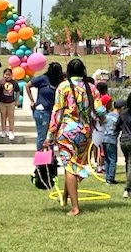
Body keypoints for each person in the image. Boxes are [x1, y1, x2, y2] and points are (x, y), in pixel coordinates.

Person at [44, 58, 106, 217]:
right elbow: (100, 110)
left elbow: (57, 112)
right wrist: (102, 122)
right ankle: (66, 197)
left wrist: (49, 136)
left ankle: (75, 207)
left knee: (70, 167)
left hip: (67, 132)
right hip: (85, 132)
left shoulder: (63, 86)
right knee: (74, 165)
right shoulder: (91, 87)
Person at [26, 62, 64, 151]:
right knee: (42, 136)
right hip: (42, 111)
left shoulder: (59, 81)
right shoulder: (43, 79)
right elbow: (27, 86)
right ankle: (40, 155)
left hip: (53, 111)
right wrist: (32, 101)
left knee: (51, 136)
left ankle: (50, 156)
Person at [0, 68, 20, 142]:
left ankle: (11, 131)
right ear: (3, 75)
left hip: (11, 102)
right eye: (6, 74)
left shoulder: (14, 82)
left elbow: (17, 91)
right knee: (3, 116)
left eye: (9, 74)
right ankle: (3, 130)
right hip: (1, 102)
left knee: (11, 117)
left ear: (11, 75)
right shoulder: (0, 82)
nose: (7, 76)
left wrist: (17, 100)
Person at [102, 99, 122, 185]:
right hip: (111, 139)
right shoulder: (118, 118)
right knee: (113, 159)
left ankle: (107, 177)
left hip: (104, 138)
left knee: (107, 159)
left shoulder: (107, 115)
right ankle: (110, 178)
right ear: (122, 108)